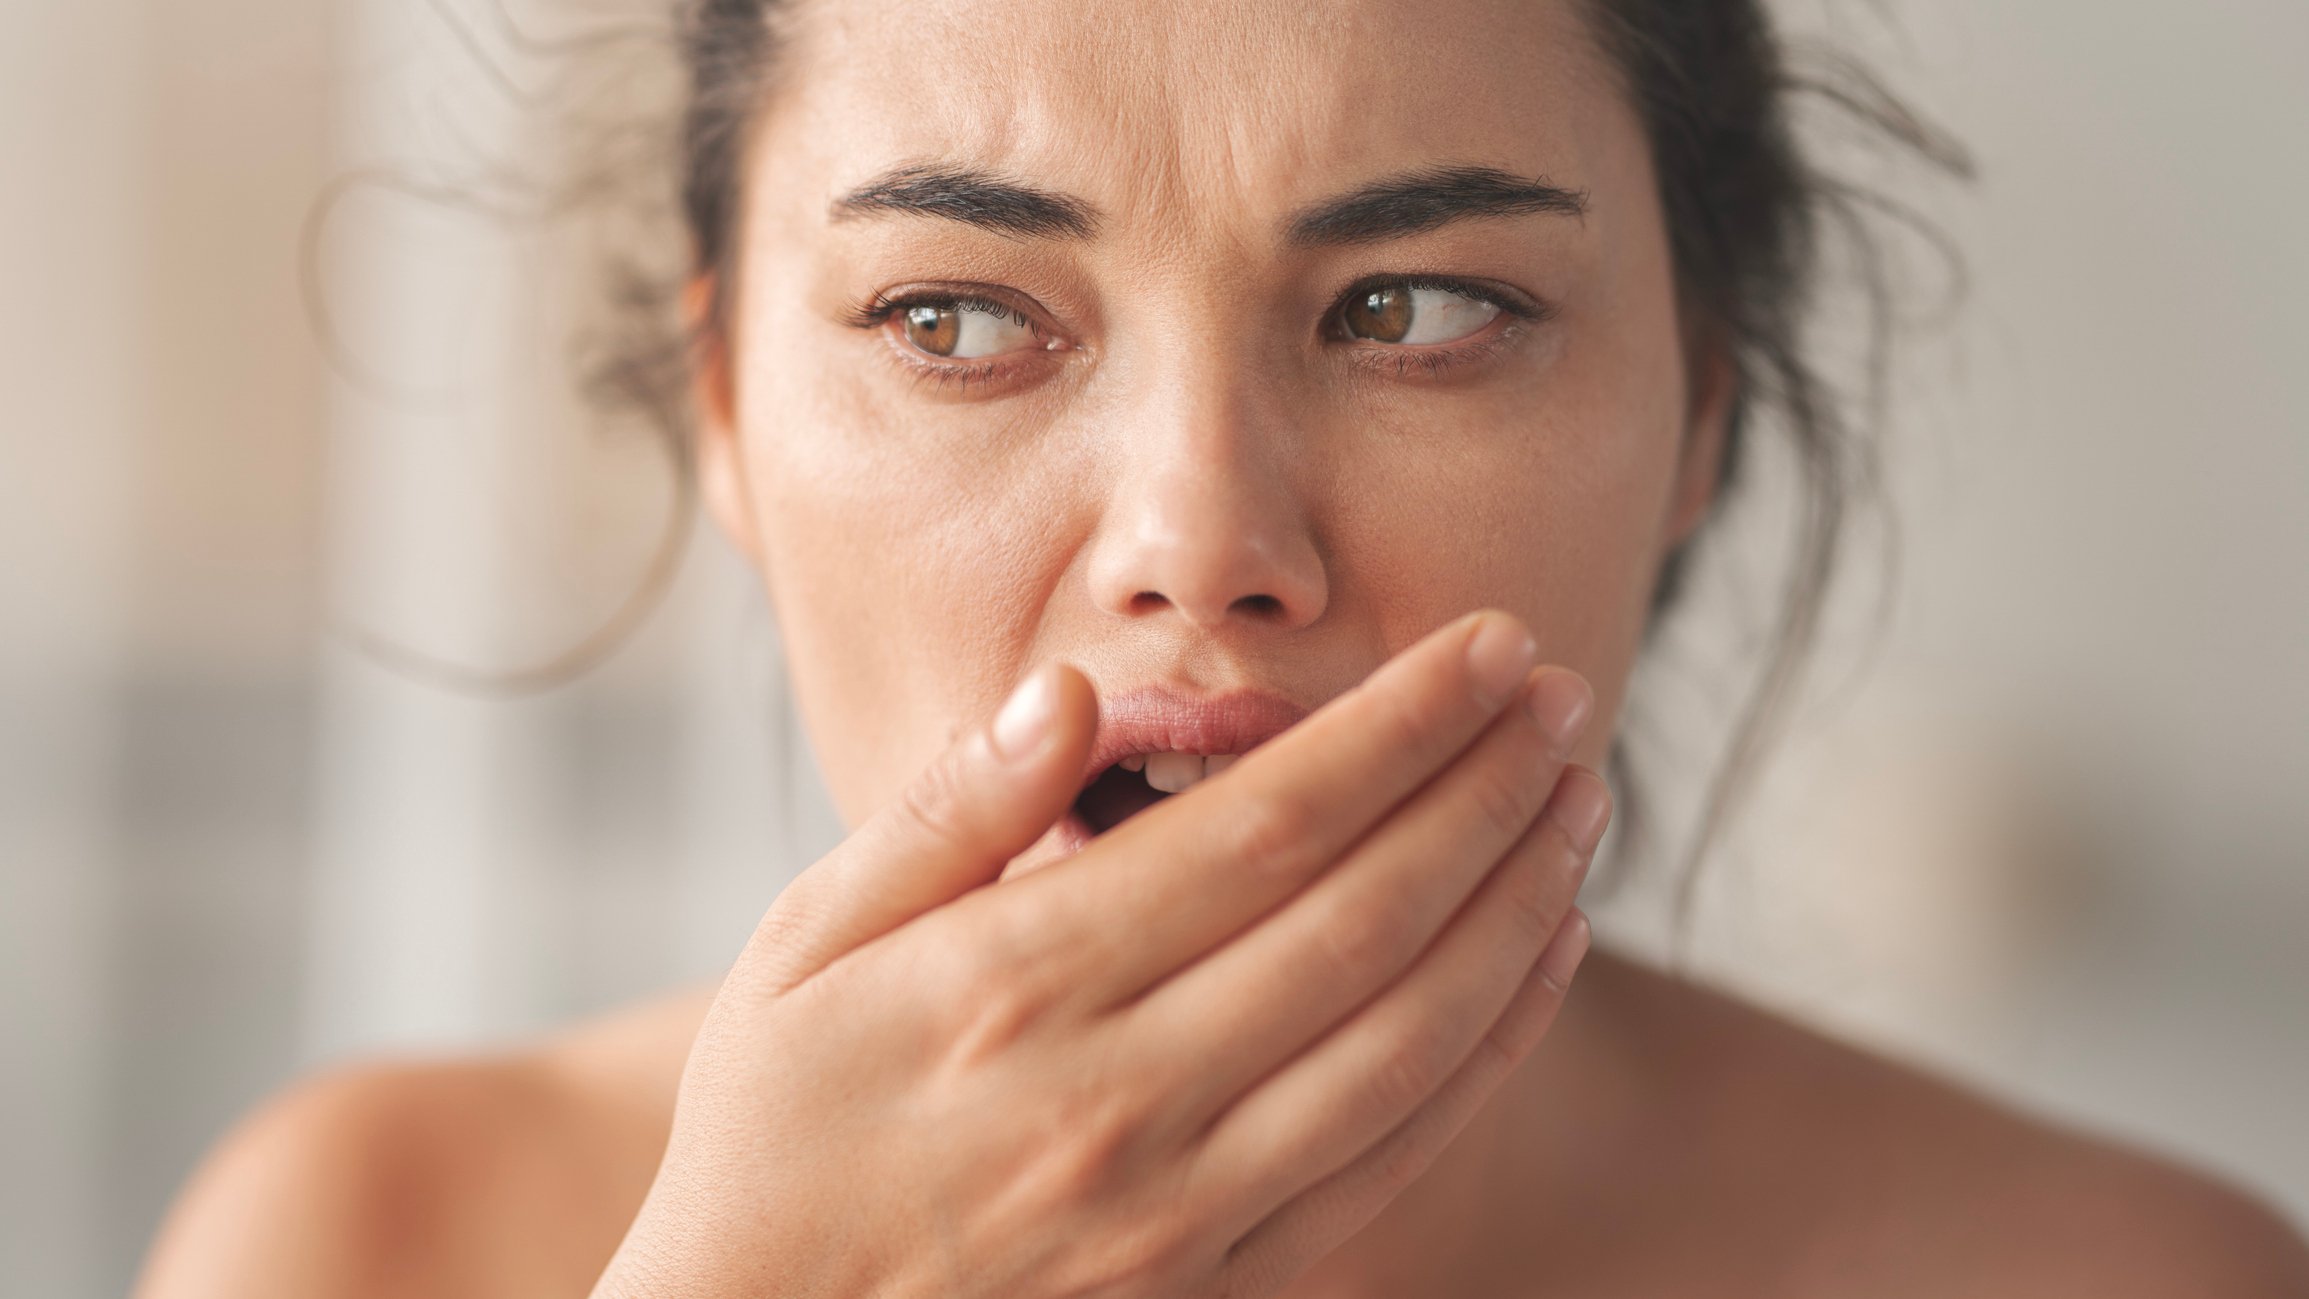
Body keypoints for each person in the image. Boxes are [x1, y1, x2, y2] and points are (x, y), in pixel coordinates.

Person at [135, 0, 2309, 1295]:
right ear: (719, 409)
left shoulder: (2110, 1281)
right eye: (955, 317)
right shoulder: (370, 1242)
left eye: (1420, 310)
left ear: (1702, 414)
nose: (1202, 543)